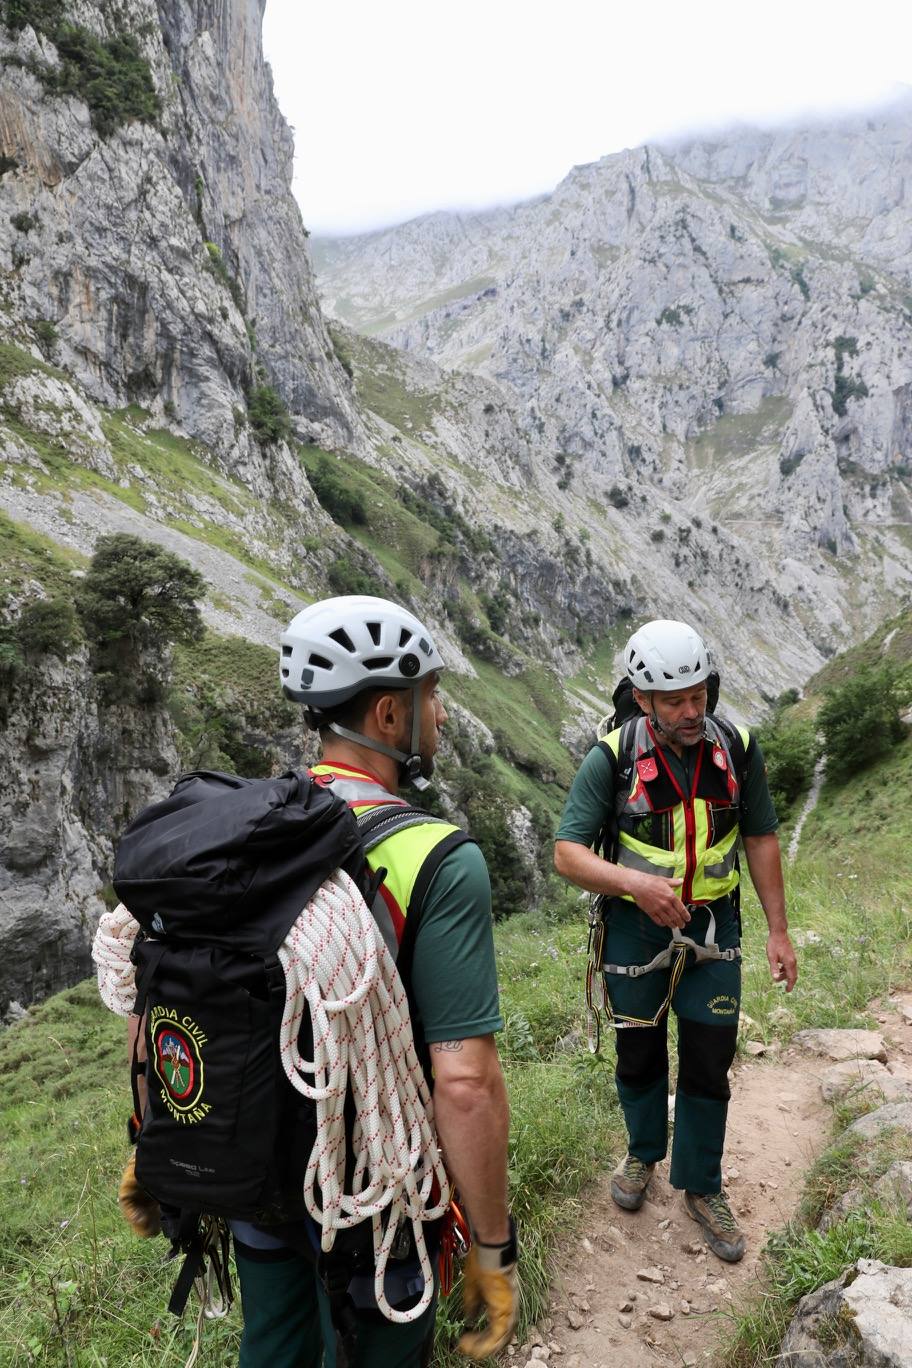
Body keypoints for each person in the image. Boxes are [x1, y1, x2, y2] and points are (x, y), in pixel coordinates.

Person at [231, 594, 518, 1366]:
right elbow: (465, 1084)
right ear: (389, 715)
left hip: (255, 1171)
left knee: (272, 1348)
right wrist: (494, 1248)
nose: (443, 715)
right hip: (379, 1199)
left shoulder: (244, 826)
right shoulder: (439, 858)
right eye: (433, 695)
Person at [553, 619, 797, 1263]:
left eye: (699, 695)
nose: (692, 711)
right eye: (675, 701)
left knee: (710, 1056)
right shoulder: (611, 758)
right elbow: (568, 853)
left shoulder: (737, 748)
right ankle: (642, 1153)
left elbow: (760, 837)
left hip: (715, 925)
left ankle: (703, 1184)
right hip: (635, 928)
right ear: (642, 699)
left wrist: (778, 930)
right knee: (638, 1052)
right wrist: (635, 885)